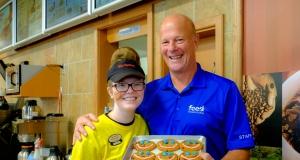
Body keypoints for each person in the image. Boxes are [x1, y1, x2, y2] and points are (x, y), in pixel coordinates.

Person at [73, 14, 255, 160]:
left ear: (195, 41)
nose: (172, 48)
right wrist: (85, 125)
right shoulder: (147, 92)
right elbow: (120, 118)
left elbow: (241, 149)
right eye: (165, 42)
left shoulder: (225, 91)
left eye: (179, 39)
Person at [71, 47, 149, 159]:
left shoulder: (142, 124)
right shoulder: (90, 134)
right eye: (121, 85)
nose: (130, 90)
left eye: (137, 84)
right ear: (110, 91)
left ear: (144, 88)